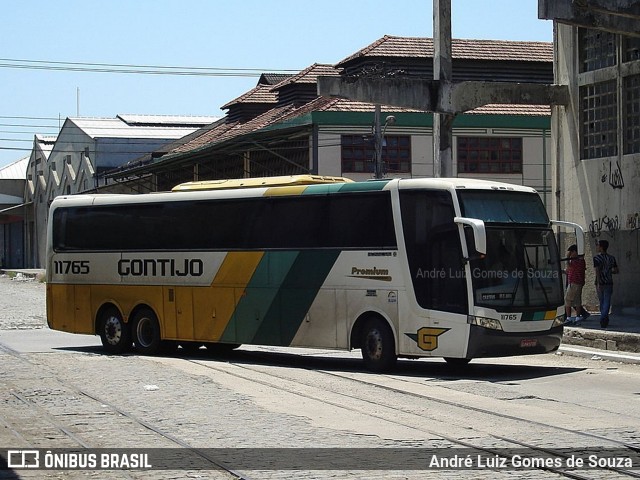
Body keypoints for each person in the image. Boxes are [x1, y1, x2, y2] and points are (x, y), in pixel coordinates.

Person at [593, 239, 619, 328]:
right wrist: (608, 271)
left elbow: (597, 271)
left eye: (598, 245)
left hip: (600, 282)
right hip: (609, 281)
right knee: (607, 301)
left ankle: (603, 318)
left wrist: (598, 282)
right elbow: (616, 270)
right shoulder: (611, 258)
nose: (596, 247)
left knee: (602, 301)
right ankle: (605, 318)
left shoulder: (597, 258)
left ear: (601, 247)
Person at [564, 244, 589, 324]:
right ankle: (578, 317)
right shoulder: (581, 260)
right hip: (579, 282)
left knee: (567, 300)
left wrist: (567, 258)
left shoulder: (576, 261)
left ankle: (568, 317)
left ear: (575, 252)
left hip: (573, 282)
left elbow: (569, 267)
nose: (570, 254)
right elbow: (569, 270)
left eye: (571, 252)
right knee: (577, 301)